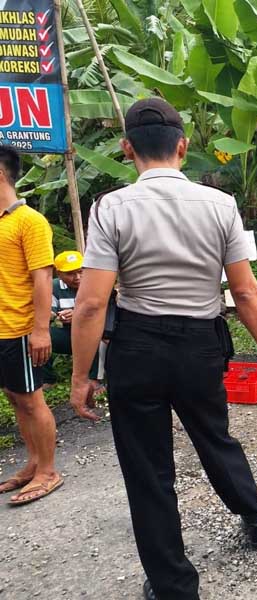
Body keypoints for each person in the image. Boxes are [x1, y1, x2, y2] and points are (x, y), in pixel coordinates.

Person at [69, 98, 257, 600]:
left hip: (138, 347)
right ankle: (255, 516)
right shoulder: (220, 206)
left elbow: (90, 306)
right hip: (200, 345)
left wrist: (81, 376)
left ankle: (174, 585)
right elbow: (243, 292)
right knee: (214, 437)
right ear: (184, 145)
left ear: (127, 149)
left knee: (147, 468)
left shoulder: (110, 208)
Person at [0, 145, 61, 506]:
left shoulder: (29, 221)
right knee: (15, 398)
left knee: (31, 400)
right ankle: (34, 462)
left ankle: (49, 471)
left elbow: (43, 277)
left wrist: (41, 330)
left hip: (20, 329)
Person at [42, 251, 102, 390]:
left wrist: (77, 315)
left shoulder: (96, 284)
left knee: (97, 336)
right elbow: (46, 313)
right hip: (67, 334)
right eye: (70, 273)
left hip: (94, 331)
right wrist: (57, 316)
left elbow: (102, 311)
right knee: (37, 336)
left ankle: (93, 379)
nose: (77, 277)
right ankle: (47, 379)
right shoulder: (53, 287)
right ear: (59, 273)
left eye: (80, 272)